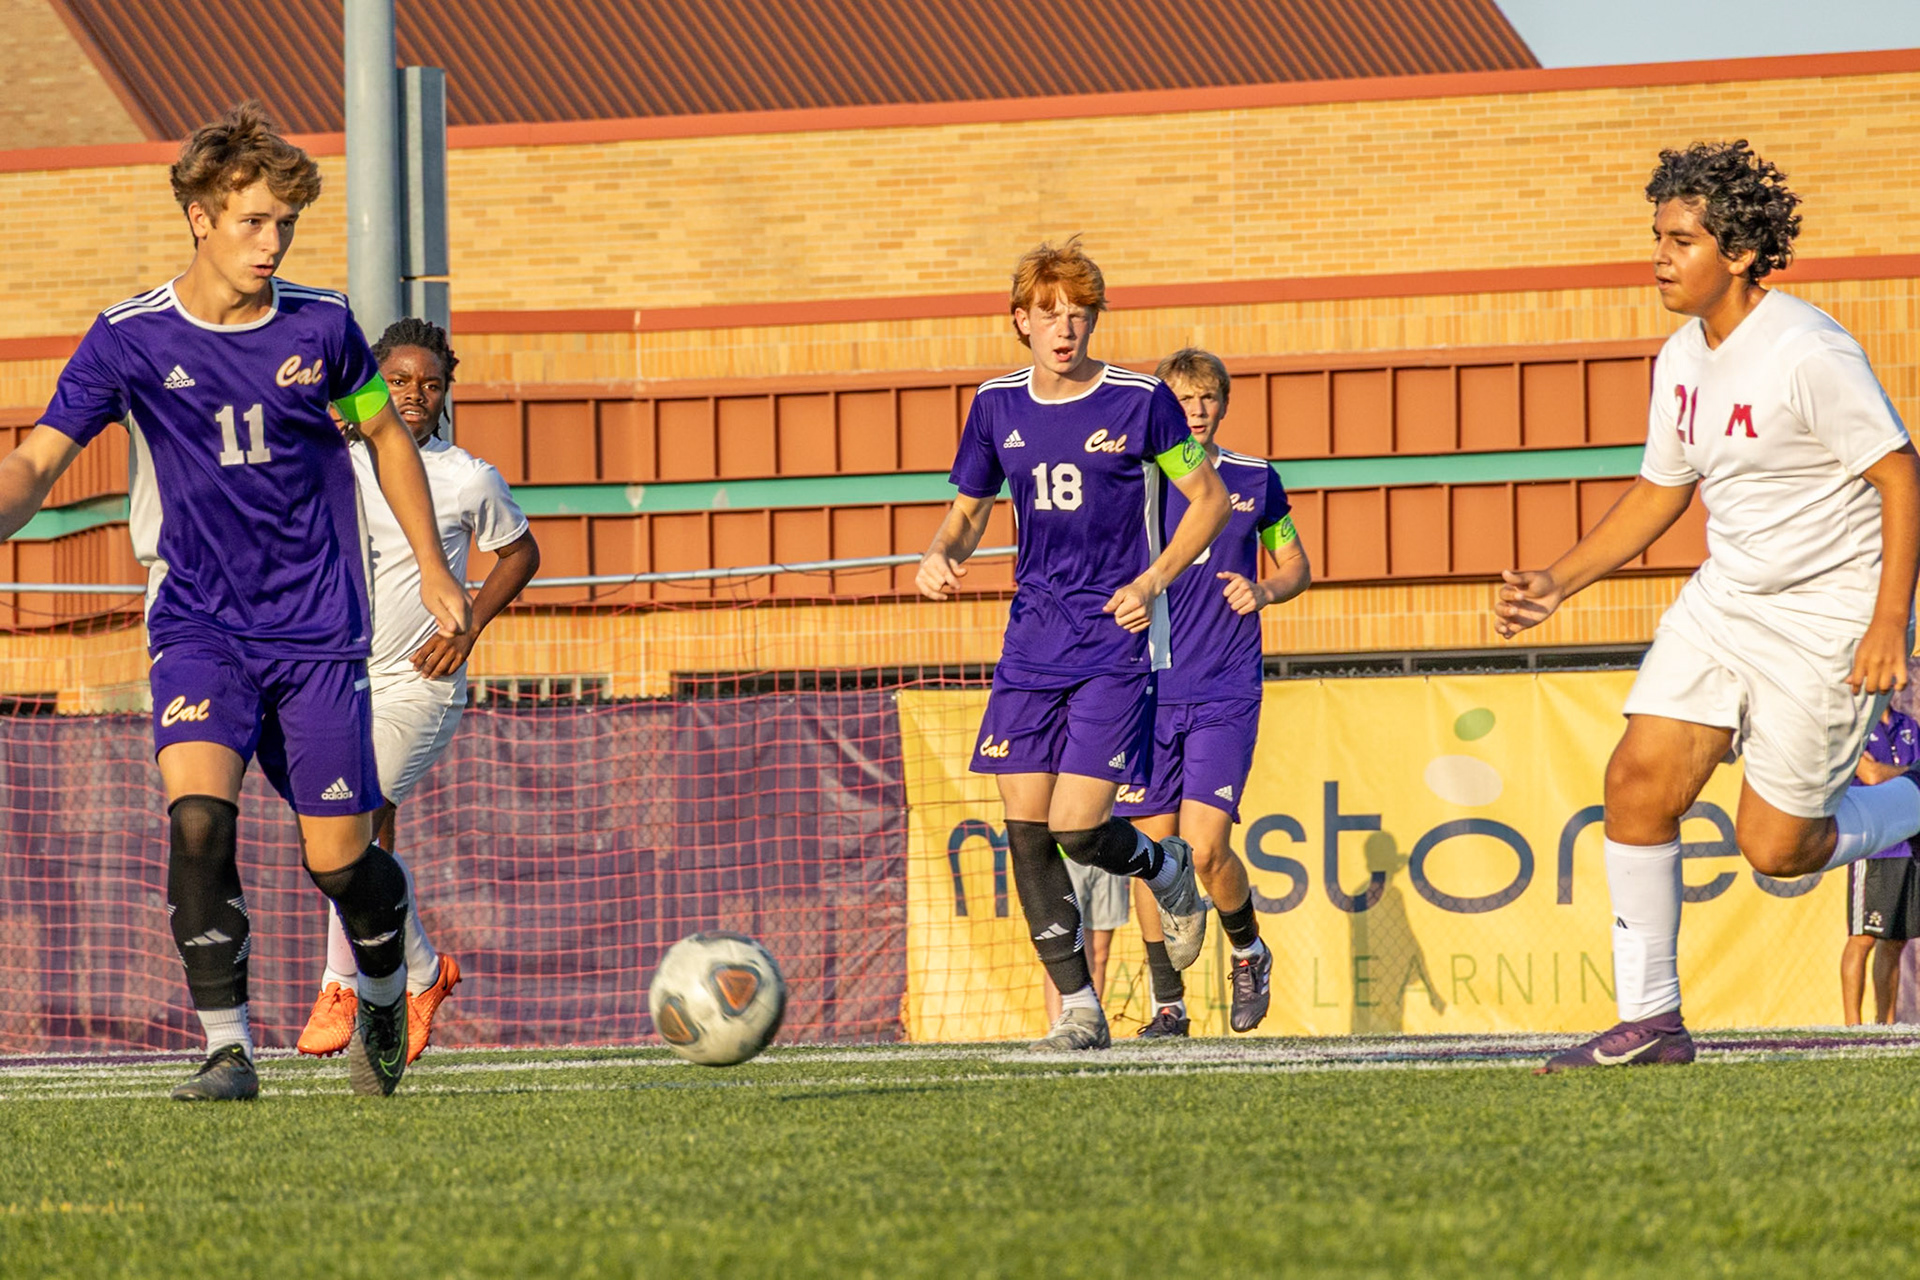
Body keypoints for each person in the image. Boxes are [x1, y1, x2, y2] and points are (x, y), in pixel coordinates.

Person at [0, 104, 471, 1100]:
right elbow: (40, 458)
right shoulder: (130, 340)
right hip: (201, 625)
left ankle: (387, 984)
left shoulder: (322, 328)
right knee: (199, 822)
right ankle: (229, 1048)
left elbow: (384, 436)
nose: (274, 241)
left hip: (315, 634)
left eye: (285, 223)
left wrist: (432, 564)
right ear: (199, 216)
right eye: (254, 220)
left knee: (341, 863)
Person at [1496, 141, 1920, 1072]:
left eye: (1681, 240)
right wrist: (1559, 580)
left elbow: (1900, 473)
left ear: (1737, 252)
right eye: (1656, 237)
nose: (1659, 257)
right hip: (1726, 601)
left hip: (1828, 617)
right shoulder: (1681, 356)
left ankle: (1914, 806)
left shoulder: (1810, 350)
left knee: (1774, 848)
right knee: (1635, 783)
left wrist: (1890, 621)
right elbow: (1661, 491)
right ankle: (1651, 1025)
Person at [917, 238, 1230, 1051]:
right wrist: (942, 551)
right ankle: (1081, 1011)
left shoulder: (1139, 401)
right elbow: (969, 508)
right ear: (1019, 321)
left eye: (1078, 313)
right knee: (1023, 826)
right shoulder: (994, 406)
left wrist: (1153, 580)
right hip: (1032, 643)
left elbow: (1209, 501)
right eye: (1048, 313)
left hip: (1115, 643)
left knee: (1079, 827)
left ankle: (1166, 870)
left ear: (1094, 320)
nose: (1065, 327)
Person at [296, 319, 540, 1064]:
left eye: (430, 384)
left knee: (351, 827)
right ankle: (421, 975)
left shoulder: (467, 475)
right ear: (372, 382)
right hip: (339, 674)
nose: (414, 394)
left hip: (420, 679)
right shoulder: (336, 457)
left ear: (445, 394)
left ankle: (344, 981)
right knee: (351, 838)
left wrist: (466, 631)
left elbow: (521, 552)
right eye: (398, 380)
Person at [1115, 349, 1310, 1039]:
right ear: (1165, 407)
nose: (1196, 411)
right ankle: (1169, 1005)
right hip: (1145, 692)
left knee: (1202, 852)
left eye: (1207, 399)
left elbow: (1295, 565)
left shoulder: (1256, 480)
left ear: (1223, 403)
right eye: (1184, 400)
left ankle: (1248, 950)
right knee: (1150, 853)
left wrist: (1264, 590)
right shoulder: (1135, 481)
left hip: (1225, 689)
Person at [1841, 703, 1920, 1025]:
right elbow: (1870, 776)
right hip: (1873, 846)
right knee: (1863, 938)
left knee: (1896, 938)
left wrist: (1890, 774)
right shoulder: (1852, 725)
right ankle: (1851, 1026)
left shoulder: (1908, 724)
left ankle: (1885, 1026)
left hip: (1909, 842)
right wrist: (1910, 775)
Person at [1042, 859, 1128, 1024]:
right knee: (1060, 948)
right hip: (1066, 857)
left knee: (1099, 953)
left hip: (1108, 854)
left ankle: (1090, 1025)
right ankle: (1058, 1026)